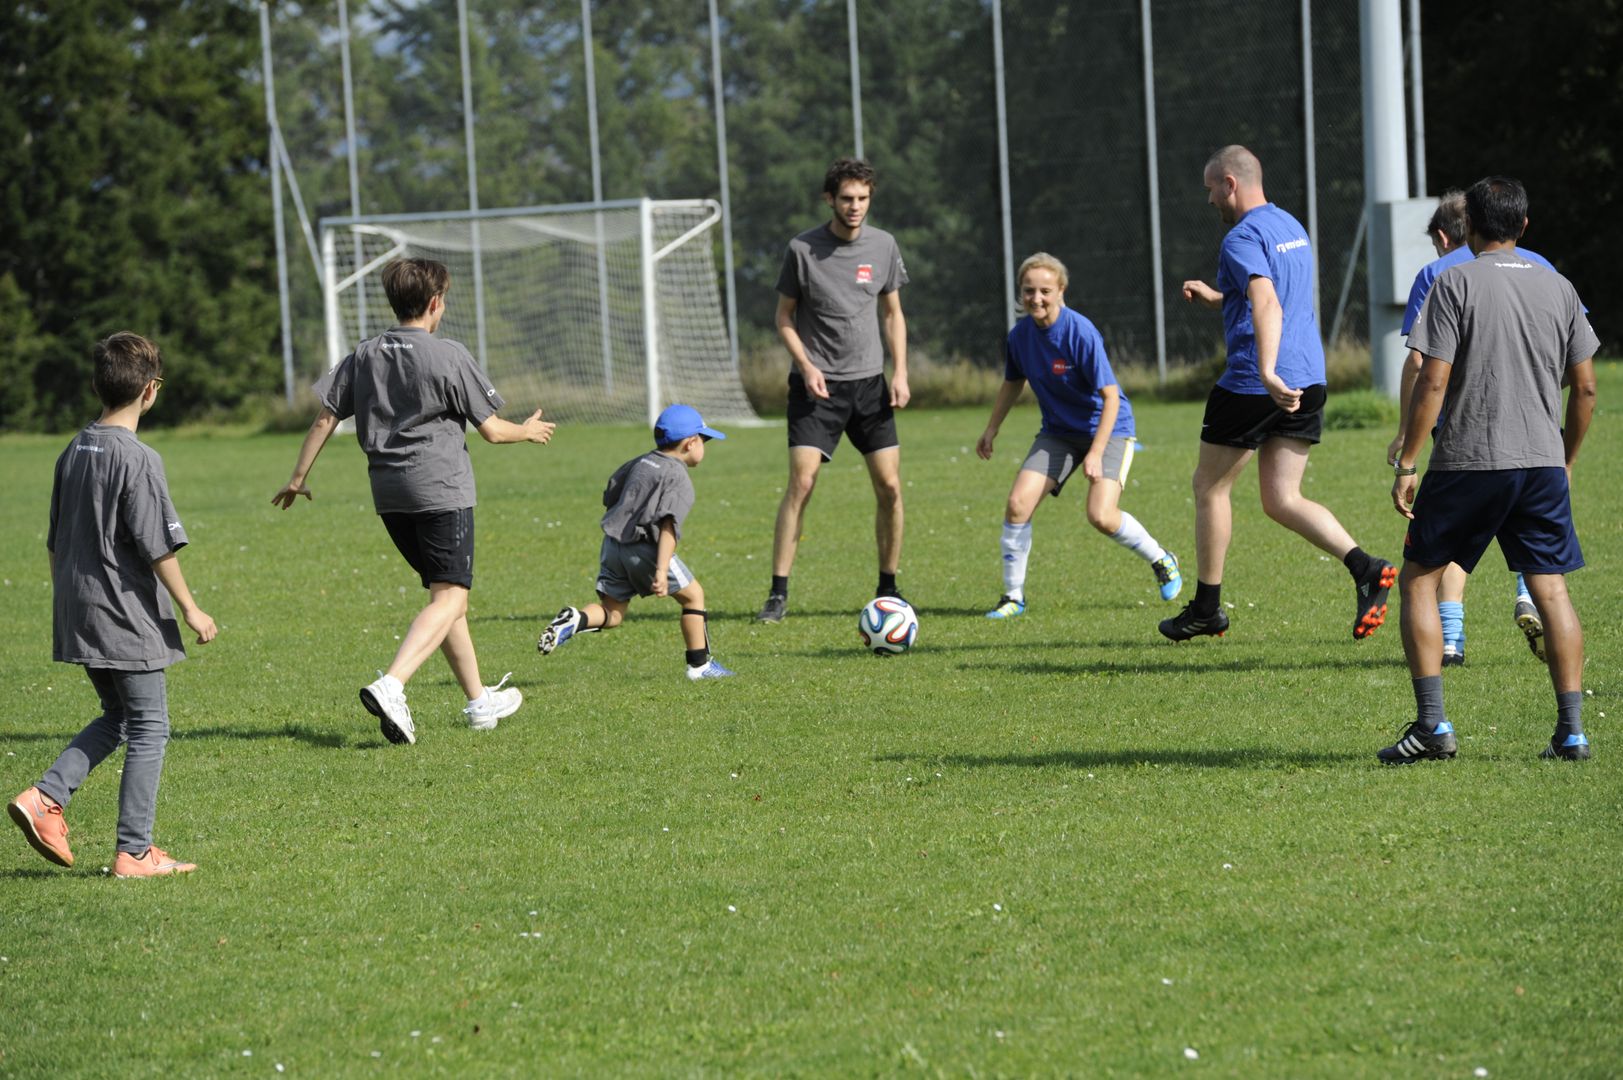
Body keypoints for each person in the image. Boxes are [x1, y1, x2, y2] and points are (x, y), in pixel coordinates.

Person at [272, 258, 555, 746]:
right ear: (436, 303)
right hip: (441, 490)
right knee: (451, 598)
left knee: (446, 601)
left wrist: (297, 479)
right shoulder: (447, 355)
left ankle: (478, 702)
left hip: (390, 496)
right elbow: (490, 429)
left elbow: (325, 419)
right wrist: (526, 432)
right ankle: (392, 684)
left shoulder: (364, 354)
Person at [1381, 176, 1598, 764]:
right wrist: (1567, 459)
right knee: (1549, 588)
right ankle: (1572, 732)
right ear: (1524, 226)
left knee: (1421, 578)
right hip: (1541, 464)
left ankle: (1432, 728)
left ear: (1469, 227)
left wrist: (1407, 459)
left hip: (1471, 460)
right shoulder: (1559, 287)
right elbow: (1585, 388)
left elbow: (1432, 377)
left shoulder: (1454, 280)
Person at [1165, 144, 1395, 642]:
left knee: (1210, 487)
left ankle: (1207, 608)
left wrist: (1266, 370)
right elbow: (1268, 290)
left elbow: (1267, 300)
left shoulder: (1240, 236)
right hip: (1309, 378)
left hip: (1257, 381)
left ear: (1230, 183)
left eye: (1210, 190)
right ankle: (1366, 568)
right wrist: (1218, 297)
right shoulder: (1290, 226)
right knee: (1282, 497)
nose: (1209, 202)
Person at [8, 332, 217, 878]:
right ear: (151, 390)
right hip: (123, 613)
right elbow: (158, 547)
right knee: (150, 726)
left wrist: (69, 603)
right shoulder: (138, 458)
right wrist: (192, 609)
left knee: (119, 716)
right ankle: (135, 851)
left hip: (78, 608)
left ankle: (45, 799)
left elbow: (56, 540)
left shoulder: (73, 448)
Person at [976, 252, 1182, 617]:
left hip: (1109, 428)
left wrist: (1096, 452)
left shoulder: (1080, 332)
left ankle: (1162, 559)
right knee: (1017, 504)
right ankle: (1013, 597)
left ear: (1061, 291)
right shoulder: (1020, 337)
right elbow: (1012, 382)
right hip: (1058, 433)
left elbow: (1111, 397)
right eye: (1028, 291)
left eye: (1044, 291)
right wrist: (991, 429)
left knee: (1101, 515)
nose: (1036, 299)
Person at [756, 157, 910, 623]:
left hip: (869, 385)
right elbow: (784, 317)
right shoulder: (802, 249)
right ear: (830, 199)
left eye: (863, 199)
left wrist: (899, 371)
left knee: (889, 486)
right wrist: (805, 364)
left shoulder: (883, 246)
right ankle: (778, 595)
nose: (855, 207)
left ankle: (889, 587)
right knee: (802, 483)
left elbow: (892, 314)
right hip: (816, 388)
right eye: (846, 198)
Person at [537, 404, 734, 680]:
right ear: (690, 443)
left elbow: (611, 492)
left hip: (613, 544)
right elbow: (668, 526)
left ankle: (575, 619)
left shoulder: (642, 461)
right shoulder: (678, 477)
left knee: (612, 614)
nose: (704, 447)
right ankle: (699, 666)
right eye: (704, 440)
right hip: (645, 549)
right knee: (694, 596)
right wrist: (661, 570)